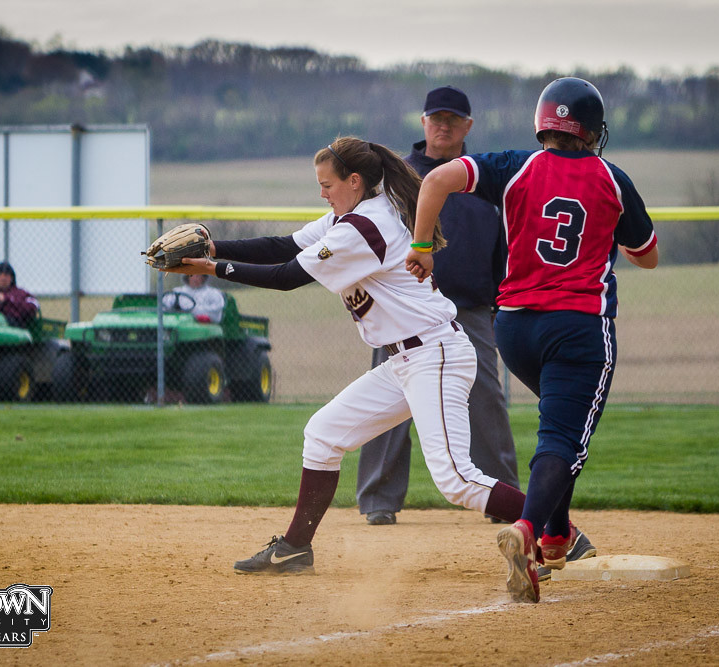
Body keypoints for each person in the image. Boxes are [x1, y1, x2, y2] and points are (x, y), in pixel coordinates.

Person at [159, 136, 528, 575]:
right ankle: (294, 549)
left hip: (435, 354)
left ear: (354, 181)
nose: (322, 192)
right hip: (407, 360)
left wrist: (209, 269)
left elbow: (286, 276)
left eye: (327, 184)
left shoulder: (363, 228)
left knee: (455, 479)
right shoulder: (348, 216)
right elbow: (283, 246)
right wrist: (217, 248)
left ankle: (558, 527)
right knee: (323, 434)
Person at [406, 78, 659, 603]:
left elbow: (432, 185)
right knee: (563, 441)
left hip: (514, 327)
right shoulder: (612, 178)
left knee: (557, 426)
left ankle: (555, 532)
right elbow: (647, 254)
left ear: (542, 122)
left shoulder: (513, 165)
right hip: (579, 327)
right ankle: (527, 529)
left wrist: (424, 247)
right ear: (592, 130)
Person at [356, 85, 520, 527]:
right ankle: (378, 500)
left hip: (470, 307)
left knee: (487, 399)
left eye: (453, 119)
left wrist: (500, 297)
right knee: (390, 401)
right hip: (402, 308)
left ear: (468, 126)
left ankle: (503, 496)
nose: (443, 125)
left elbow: (506, 241)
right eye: (436, 118)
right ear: (423, 122)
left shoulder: (483, 177)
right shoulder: (397, 178)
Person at [162, 273, 227, 323]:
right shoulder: (177, 292)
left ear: (204, 278)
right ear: (187, 277)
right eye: (192, 275)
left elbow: (216, 314)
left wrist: (193, 312)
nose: (195, 278)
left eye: (198, 276)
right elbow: (165, 307)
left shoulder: (213, 293)